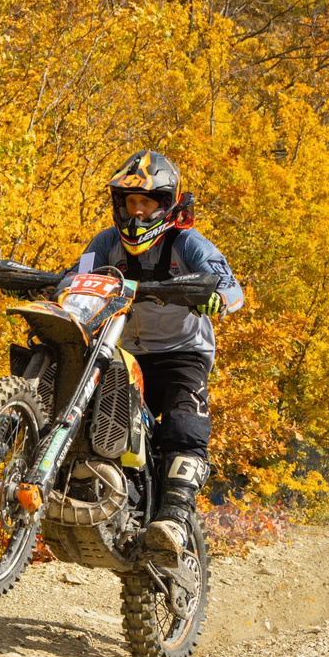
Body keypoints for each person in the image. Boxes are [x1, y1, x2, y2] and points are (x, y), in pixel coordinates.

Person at [74, 150, 243, 564]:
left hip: (181, 353)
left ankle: (173, 516)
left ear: (166, 205)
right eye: (130, 202)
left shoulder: (187, 243)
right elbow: (78, 277)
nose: (136, 212)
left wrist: (217, 299)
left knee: (183, 426)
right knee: (93, 422)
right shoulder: (106, 242)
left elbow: (232, 287)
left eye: (146, 202)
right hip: (121, 353)